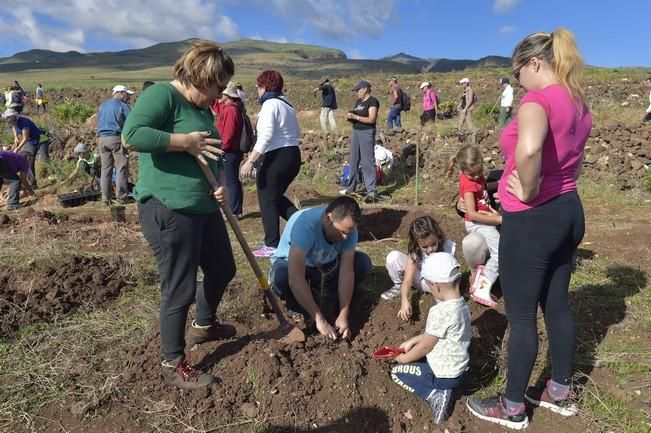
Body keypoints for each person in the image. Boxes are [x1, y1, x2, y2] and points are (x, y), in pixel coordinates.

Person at [466, 29, 592, 429]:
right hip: (569, 210)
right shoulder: (577, 101)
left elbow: (532, 148)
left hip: (533, 218)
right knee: (556, 305)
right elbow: (572, 158)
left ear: (535, 64)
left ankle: (512, 406)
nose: (517, 79)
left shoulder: (537, 101)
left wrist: (531, 187)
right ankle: (560, 390)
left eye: (517, 71)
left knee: (521, 317)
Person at [122, 40, 237, 390]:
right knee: (179, 286)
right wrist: (182, 142)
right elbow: (132, 136)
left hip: (204, 207)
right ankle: (173, 360)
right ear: (202, 77)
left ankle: (203, 325)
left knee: (223, 268)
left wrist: (220, 183)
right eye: (217, 87)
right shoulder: (163, 96)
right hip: (169, 209)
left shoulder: (204, 110)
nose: (219, 95)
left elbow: (213, 154)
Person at [269, 196, 372, 339]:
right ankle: (297, 307)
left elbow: (346, 272)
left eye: (348, 233)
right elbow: (295, 277)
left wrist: (344, 313)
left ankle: (330, 301)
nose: (344, 238)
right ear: (328, 218)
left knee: (362, 263)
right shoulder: (305, 225)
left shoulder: (349, 231)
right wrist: (319, 319)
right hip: (295, 266)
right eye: (341, 232)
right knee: (280, 277)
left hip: (325, 267)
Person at [390, 252, 470, 425]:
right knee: (421, 360)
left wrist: (403, 358)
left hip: (443, 375)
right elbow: (437, 335)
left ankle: (436, 393)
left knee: (397, 373)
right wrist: (413, 341)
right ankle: (453, 389)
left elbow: (426, 347)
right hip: (460, 370)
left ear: (435, 285)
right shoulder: (462, 305)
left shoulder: (439, 311)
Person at [239, 70, 301, 258]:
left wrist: (250, 161)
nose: (257, 91)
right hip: (292, 153)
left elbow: (265, 136)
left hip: (278, 155)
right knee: (274, 197)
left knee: (266, 197)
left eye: (258, 86)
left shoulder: (270, 104)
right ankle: (304, 223)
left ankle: (271, 244)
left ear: (264, 87)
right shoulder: (287, 104)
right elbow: (297, 130)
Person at [447, 145, 501, 308]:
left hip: (484, 220)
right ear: (463, 170)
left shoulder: (475, 178)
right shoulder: (468, 184)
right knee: (499, 251)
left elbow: (484, 187)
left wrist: (502, 184)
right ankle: (482, 285)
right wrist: (498, 220)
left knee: (499, 250)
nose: (478, 176)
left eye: (480, 172)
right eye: (473, 174)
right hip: (479, 223)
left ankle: (481, 280)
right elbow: (472, 213)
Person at [381, 216, 456, 315]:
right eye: (424, 246)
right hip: (421, 280)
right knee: (393, 256)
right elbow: (408, 280)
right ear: (416, 242)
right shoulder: (416, 251)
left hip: (439, 284)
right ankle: (398, 285)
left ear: (438, 236)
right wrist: (405, 301)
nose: (430, 249)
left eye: (433, 244)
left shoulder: (448, 247)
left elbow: (453, 274)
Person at [340, 80, 380, 203]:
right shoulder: (358, 102)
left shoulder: (372, 101)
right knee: (353, 160)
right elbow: (357, 117)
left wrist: (356, 117)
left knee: (367, 161)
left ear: (365, 89)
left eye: (358, 90)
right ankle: (350, 187)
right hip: (356, 131)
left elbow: (371, 119)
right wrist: (350, 117)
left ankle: (371, 191)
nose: (357, 92)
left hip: (366, 132)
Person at [211, 82, 244, 218]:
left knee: (231, 180)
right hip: (231, 150)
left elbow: (228, 135)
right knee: (232, 179)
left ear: (227, 95)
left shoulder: (230, 110)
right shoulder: (229, 108)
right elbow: (217, 106)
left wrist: (220, 148)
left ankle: (234, 210)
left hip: (230, 151)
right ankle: (236, 209)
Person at [97, 84, 133, 204]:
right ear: (121, 93)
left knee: (105, 169)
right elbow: (131, 122)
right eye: (127, 95)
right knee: (121, 168)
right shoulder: (123, 106)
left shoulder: (103, 105)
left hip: (102, 140)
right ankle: (121, 198)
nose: (128, 98)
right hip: (116, 138)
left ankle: (105, 199)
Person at [3, 108, 50, 188]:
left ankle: (59, 175)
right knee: (27, 162)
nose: (7, 119)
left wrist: (17, 148)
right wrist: (16, 137)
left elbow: (25, 138)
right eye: (6, 118)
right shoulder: (12, 121)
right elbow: (14, 127)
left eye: (8, 117)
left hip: (41, 139)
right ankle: (33, 184)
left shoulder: (24, 122)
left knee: (45, 159)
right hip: (31, 141)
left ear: (14, 116)